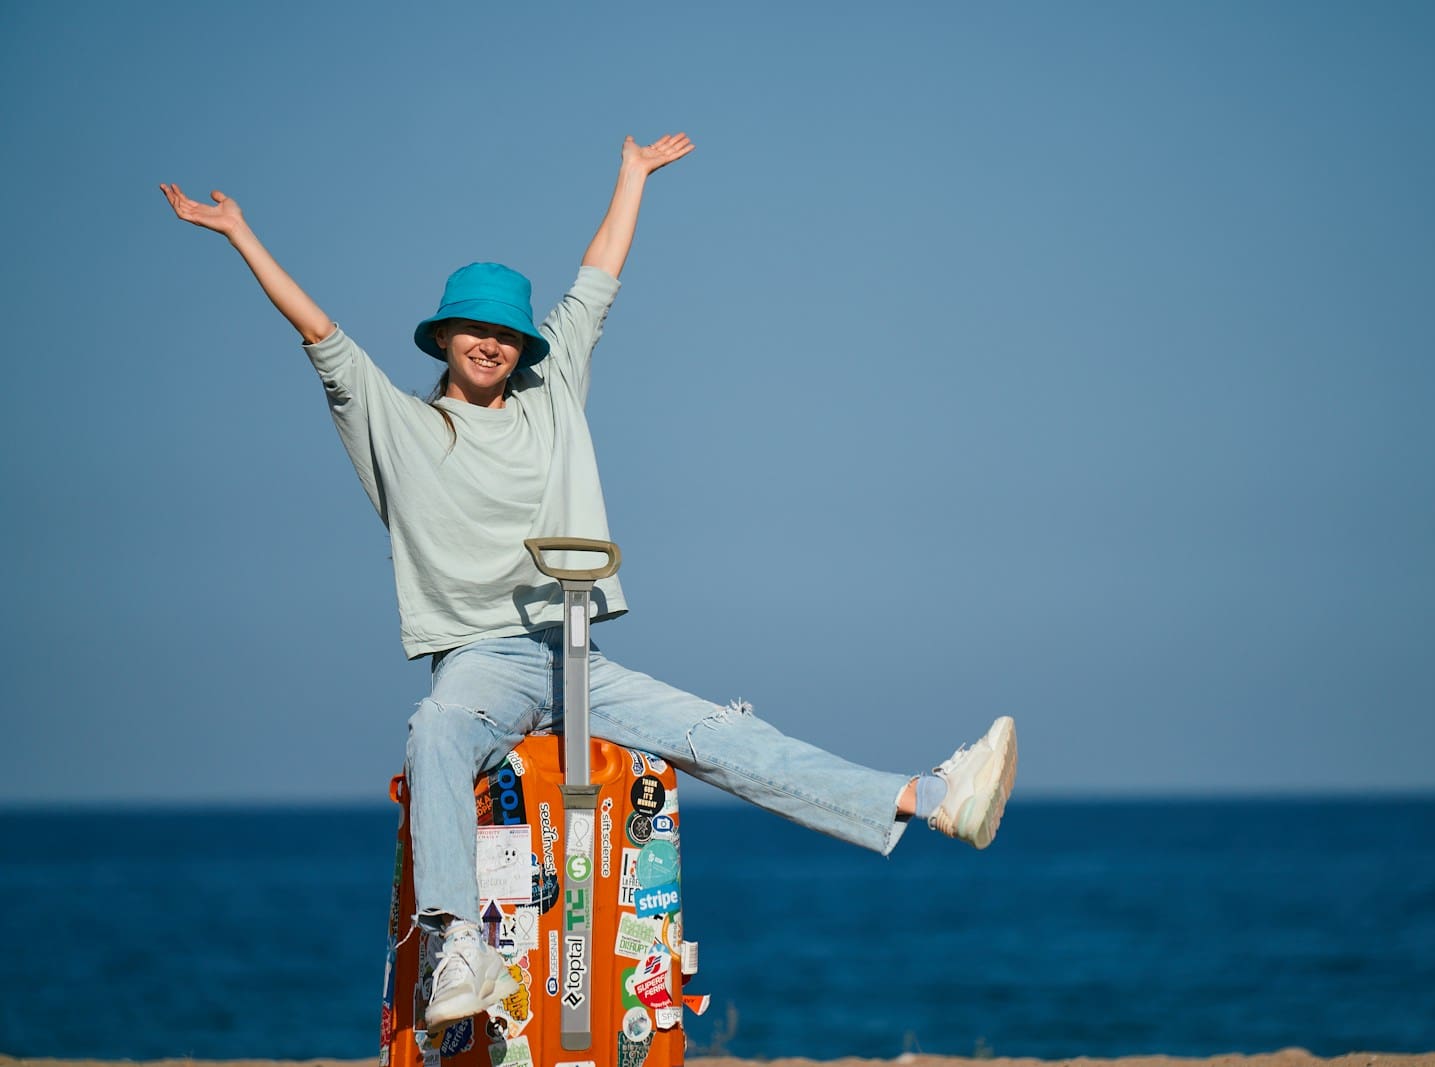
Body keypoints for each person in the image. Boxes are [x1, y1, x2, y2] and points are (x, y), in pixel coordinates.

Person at [159, 131, 1017, 1029]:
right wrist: (240, 233)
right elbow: (321, 336)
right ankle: (459, 946)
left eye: (505, 332)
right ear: (444, 336)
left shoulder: (550, 387)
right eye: (474, 329)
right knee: (440, 731)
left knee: (721, 734)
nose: (490, 344)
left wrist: (632, 177)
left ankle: (930, 798)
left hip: (572, 647)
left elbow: (595, 281)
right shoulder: (397, 425)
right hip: (482, 658)